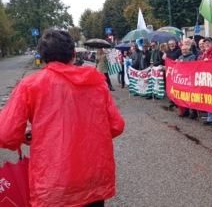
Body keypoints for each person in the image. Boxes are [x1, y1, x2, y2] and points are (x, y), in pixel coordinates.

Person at [0, 30, 125, 207]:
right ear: (74, 55)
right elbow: (116, 126)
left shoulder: (30, 85)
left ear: (43, 57)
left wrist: (29, 135)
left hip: (53, 181)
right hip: (92, 177)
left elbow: (6, 134)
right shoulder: (97, 84)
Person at [177, 44, 198, 119]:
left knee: (191, 97)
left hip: (190, 79)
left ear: (189, 50)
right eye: (182, 50)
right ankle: (186, 111)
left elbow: (191, 66)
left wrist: (183, 63)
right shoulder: (180, 57)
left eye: (185, 49)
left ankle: (194, 112)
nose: (184, 51)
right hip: (183, 79)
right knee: (184, 96)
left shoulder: (192, 57)